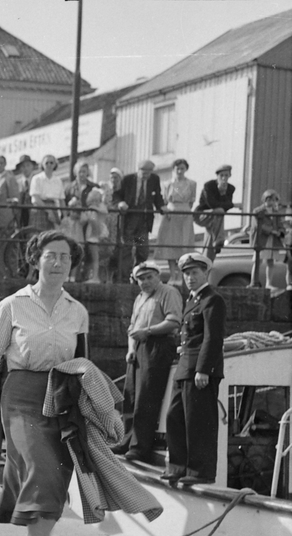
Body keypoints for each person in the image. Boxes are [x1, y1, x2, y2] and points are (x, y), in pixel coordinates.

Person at [0, 229, 90, 536]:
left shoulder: (78, 311)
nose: (57, 263)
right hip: (21, 396)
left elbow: (83, 363)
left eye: (65, 257)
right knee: (40, 468)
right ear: (34, 259)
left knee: (54, 477)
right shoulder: (12, 305)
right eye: (50, 255)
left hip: (62, 398)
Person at [163, 252, 226, 486]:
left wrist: (204, 369)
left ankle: (201, 472)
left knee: (199, 421)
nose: (190, 277)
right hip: (185, 367)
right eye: (187, 273)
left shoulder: (212, 299)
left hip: (199, 369)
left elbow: (212, 337)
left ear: (206, 273)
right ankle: (178, 467)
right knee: (175, 417)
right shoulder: (192, 300)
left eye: (194, 273)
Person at [118, 262, 182, 463]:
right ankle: (127, 440)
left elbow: (174, 321)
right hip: (139, 347)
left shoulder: (168, 292)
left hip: (159, 345)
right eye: (141, 279)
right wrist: (130, 349)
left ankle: (140, 447)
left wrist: (147, 332)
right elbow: (132, 327)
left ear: (158, 276)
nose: (145, 282)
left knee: (147, 397)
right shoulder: (139, 298)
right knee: (130, 396)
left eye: (149, 277)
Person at [114, 159, 164, 269]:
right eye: (144, 173)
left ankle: (138, 274)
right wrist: (121, 203)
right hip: (130, 219)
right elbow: (117, 195)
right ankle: (124, 277)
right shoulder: (128, 179)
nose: (146, 176)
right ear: (138, 170)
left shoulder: (154, 179)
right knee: (127, 247)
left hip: (144, 220)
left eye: (148, 173)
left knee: (143, 249)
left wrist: (162, 207)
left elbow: (157, 196)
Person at [154, 158, 197, 277]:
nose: (180, 171)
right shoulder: (168, 184)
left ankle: (182, 274)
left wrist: (185, 210)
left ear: (186, 169)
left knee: (184, 243)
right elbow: (165, 200)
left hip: (185, 213)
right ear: (173, 170)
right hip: (171, 214)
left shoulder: (192, 184)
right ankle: (173, 274)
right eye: (177, 168)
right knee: (171, 242)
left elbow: (191, 201)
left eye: (182, 168)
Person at [196, 165, 236, 261]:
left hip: (216, 218)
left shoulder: (230, 188)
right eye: (221, 175)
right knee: (219, 212)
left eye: (226, 175)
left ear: (230, 176)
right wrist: (220, 202)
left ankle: (209, 256)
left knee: (219, 214)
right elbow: (211, 203)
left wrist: (223, 194)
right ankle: (219, 240)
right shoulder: (209, 186)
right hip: (202, 214)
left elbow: (229, 204)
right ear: (217, 176)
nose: (224, 178)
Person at [249, 189, 283, 289]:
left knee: (270, 261)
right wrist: (272, 231)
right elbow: (257, 225)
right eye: (269, 199)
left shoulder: (276, 212)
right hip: (261, 239)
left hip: (273, 240)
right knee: (257, 261)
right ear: (264, 199)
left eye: (273, 200)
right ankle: (253, 282)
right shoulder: (257, 211)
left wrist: (281, 232)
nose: (271, 202)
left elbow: (280, 224)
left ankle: (269, 284)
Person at [28, 154, 65, 231]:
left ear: (55, 165)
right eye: (46, 163)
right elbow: (36, 198)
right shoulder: (36, 179)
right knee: (38, 235)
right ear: (42, 165)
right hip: (40, 208)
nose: (49, 165)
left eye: (51, 163)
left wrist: (65, 217)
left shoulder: (58, 181)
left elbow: (61, 200)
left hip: (54, 208)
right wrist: (48, 211)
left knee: (53, 236)